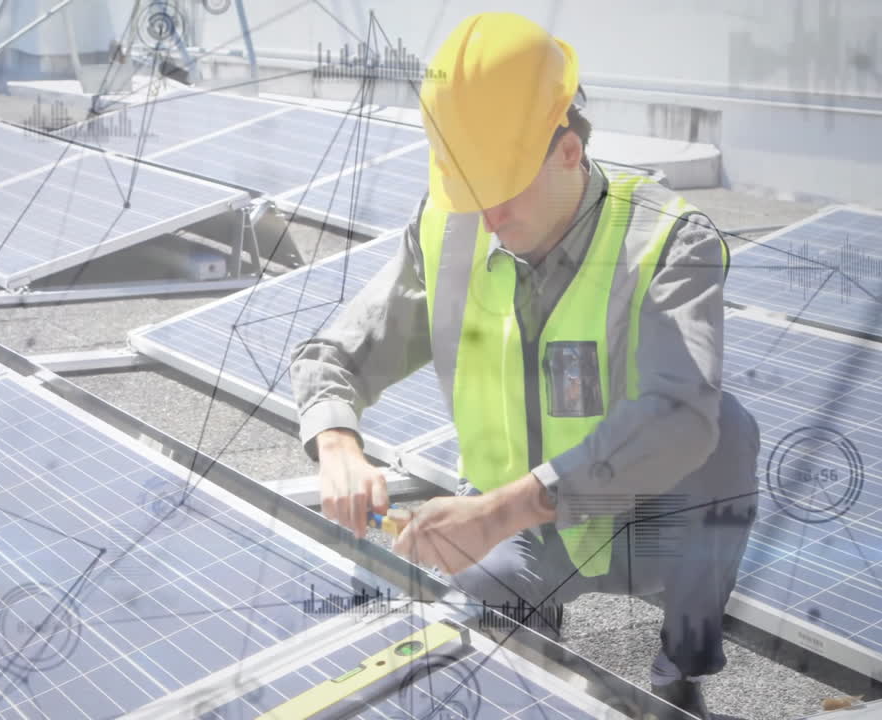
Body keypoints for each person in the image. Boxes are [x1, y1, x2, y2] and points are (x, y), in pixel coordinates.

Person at [289, 12, 761, 719]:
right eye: (469, 191)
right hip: (517, 534)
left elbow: (680, 417)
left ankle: (678, 672)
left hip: (642, 517)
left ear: (568, 151)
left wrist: (499, 509)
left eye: (501, 189)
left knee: (727, 433)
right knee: (477, 647)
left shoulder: (666, 240)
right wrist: (336, 445)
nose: (485, 217)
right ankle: (533, 641)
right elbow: (333, 355)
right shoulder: (448, 233)